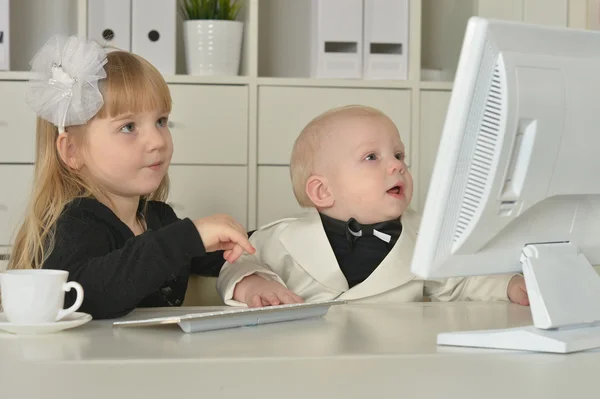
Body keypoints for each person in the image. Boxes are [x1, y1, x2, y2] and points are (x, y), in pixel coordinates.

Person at [6, 35, 255, 319]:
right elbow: (87, 294)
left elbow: (220, 255)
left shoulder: (158, 218)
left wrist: (249, 274)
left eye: (161, 121)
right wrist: (187, 237)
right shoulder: (75, 223)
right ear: (72, 151)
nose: (157, 142)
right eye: (128, 127)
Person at [217, 105, 529, 307]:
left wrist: (509, 285)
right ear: (322, 191)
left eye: (399, 155)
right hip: (310, 366)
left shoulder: (426, 235)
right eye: (372, 157)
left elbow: (461, 281)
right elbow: (237, 263)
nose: (396, 166)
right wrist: (252, 283)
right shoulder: (282, 237)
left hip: (393, 362)